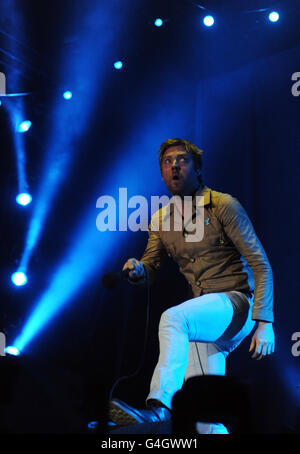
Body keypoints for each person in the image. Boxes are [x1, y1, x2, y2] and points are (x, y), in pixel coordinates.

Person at [109, 138, 275, 434]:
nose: (174, 165)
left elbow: (261, 264)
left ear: (197, 169)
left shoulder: (223, 205)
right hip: (205, 319)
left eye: (182, 160)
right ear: (161, 173)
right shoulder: (161, 219)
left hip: (237, 305)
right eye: (167, 161)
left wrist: (265, 323)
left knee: (173, 318)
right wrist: (137, 271)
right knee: (205, 419)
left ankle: (160, 408)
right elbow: (150, 268)